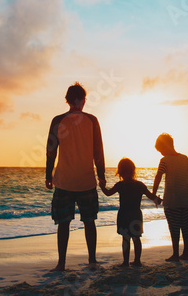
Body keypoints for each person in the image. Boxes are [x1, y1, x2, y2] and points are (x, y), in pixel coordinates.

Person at [45, 82, 106, 271]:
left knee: (63, 223)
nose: (85, 102)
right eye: (85, 99)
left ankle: (61, 263)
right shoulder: (92, 120)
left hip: (64, 181)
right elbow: (98, 151)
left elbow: (50, 150)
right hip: (87, 180)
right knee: (89, 221)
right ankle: (92, 261)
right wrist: (102, 175)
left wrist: (48, 174)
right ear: (79, 100)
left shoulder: (58, 120)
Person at [99, 158, 161, 267]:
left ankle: (126, 262)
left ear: (120, 172)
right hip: (135, 214)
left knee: (126, 238)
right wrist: (158, 200)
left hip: (124, 214)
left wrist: (101, 186)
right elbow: (151, 196)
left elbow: (108, 193)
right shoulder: (139, 185)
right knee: (136, 238)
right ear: (133, 171)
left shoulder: (120, 185)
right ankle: (137, 261)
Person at [152, 133, 188, 262]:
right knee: (186, 227)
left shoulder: (165, 160)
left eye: (161, 150)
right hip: (185, 200)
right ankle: (186, 253)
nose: (161, 153)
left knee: (174, 227)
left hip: (171, 201)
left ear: (165, 146)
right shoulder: (184, 158)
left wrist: (153, 193)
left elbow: (158, 176)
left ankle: (175, 254)